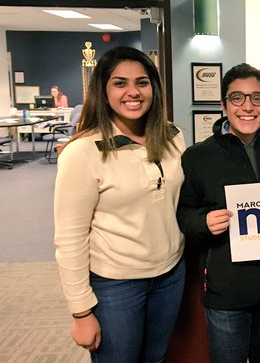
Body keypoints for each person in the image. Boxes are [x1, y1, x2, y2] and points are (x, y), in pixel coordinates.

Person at [53, 46, 186, 362]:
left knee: (156, 358)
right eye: (120, 83)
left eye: (142, 82)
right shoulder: (83, 152)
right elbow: (70, 238)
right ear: (103, 90)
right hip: (116, 284)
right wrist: (81, 311)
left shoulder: (173, 136)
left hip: (170, 275)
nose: (133, 92)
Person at [176, 63, 260, 363]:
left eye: (257, 98)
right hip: (227, 290)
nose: (248, 107)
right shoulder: (197, 157)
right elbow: (184, 214)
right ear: (223, 105)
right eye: (237, 98)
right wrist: (203, 222)